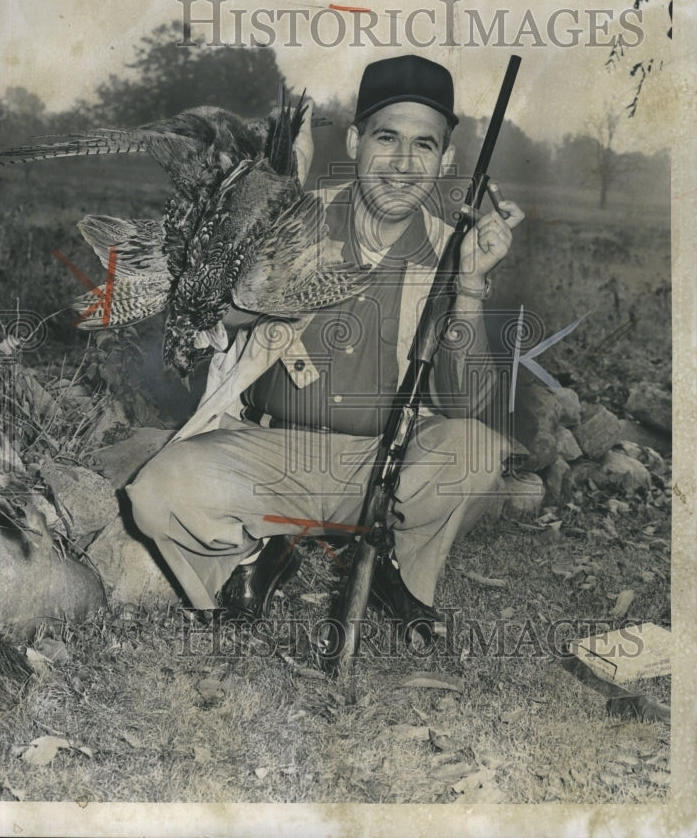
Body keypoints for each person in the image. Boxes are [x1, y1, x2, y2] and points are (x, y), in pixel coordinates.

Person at [128, 54, 524, 642]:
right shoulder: (291, 215)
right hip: (263, 450)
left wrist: (469, 282)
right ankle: (258, 549)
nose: (402, 163)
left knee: (476, 450)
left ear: (446, 161)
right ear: (358, 140)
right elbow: (210, 317)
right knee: (155, 495)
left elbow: (467, 401)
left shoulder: (452, 248)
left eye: (423, 145)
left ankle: (394, 571)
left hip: (376, 467)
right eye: (387, 137)